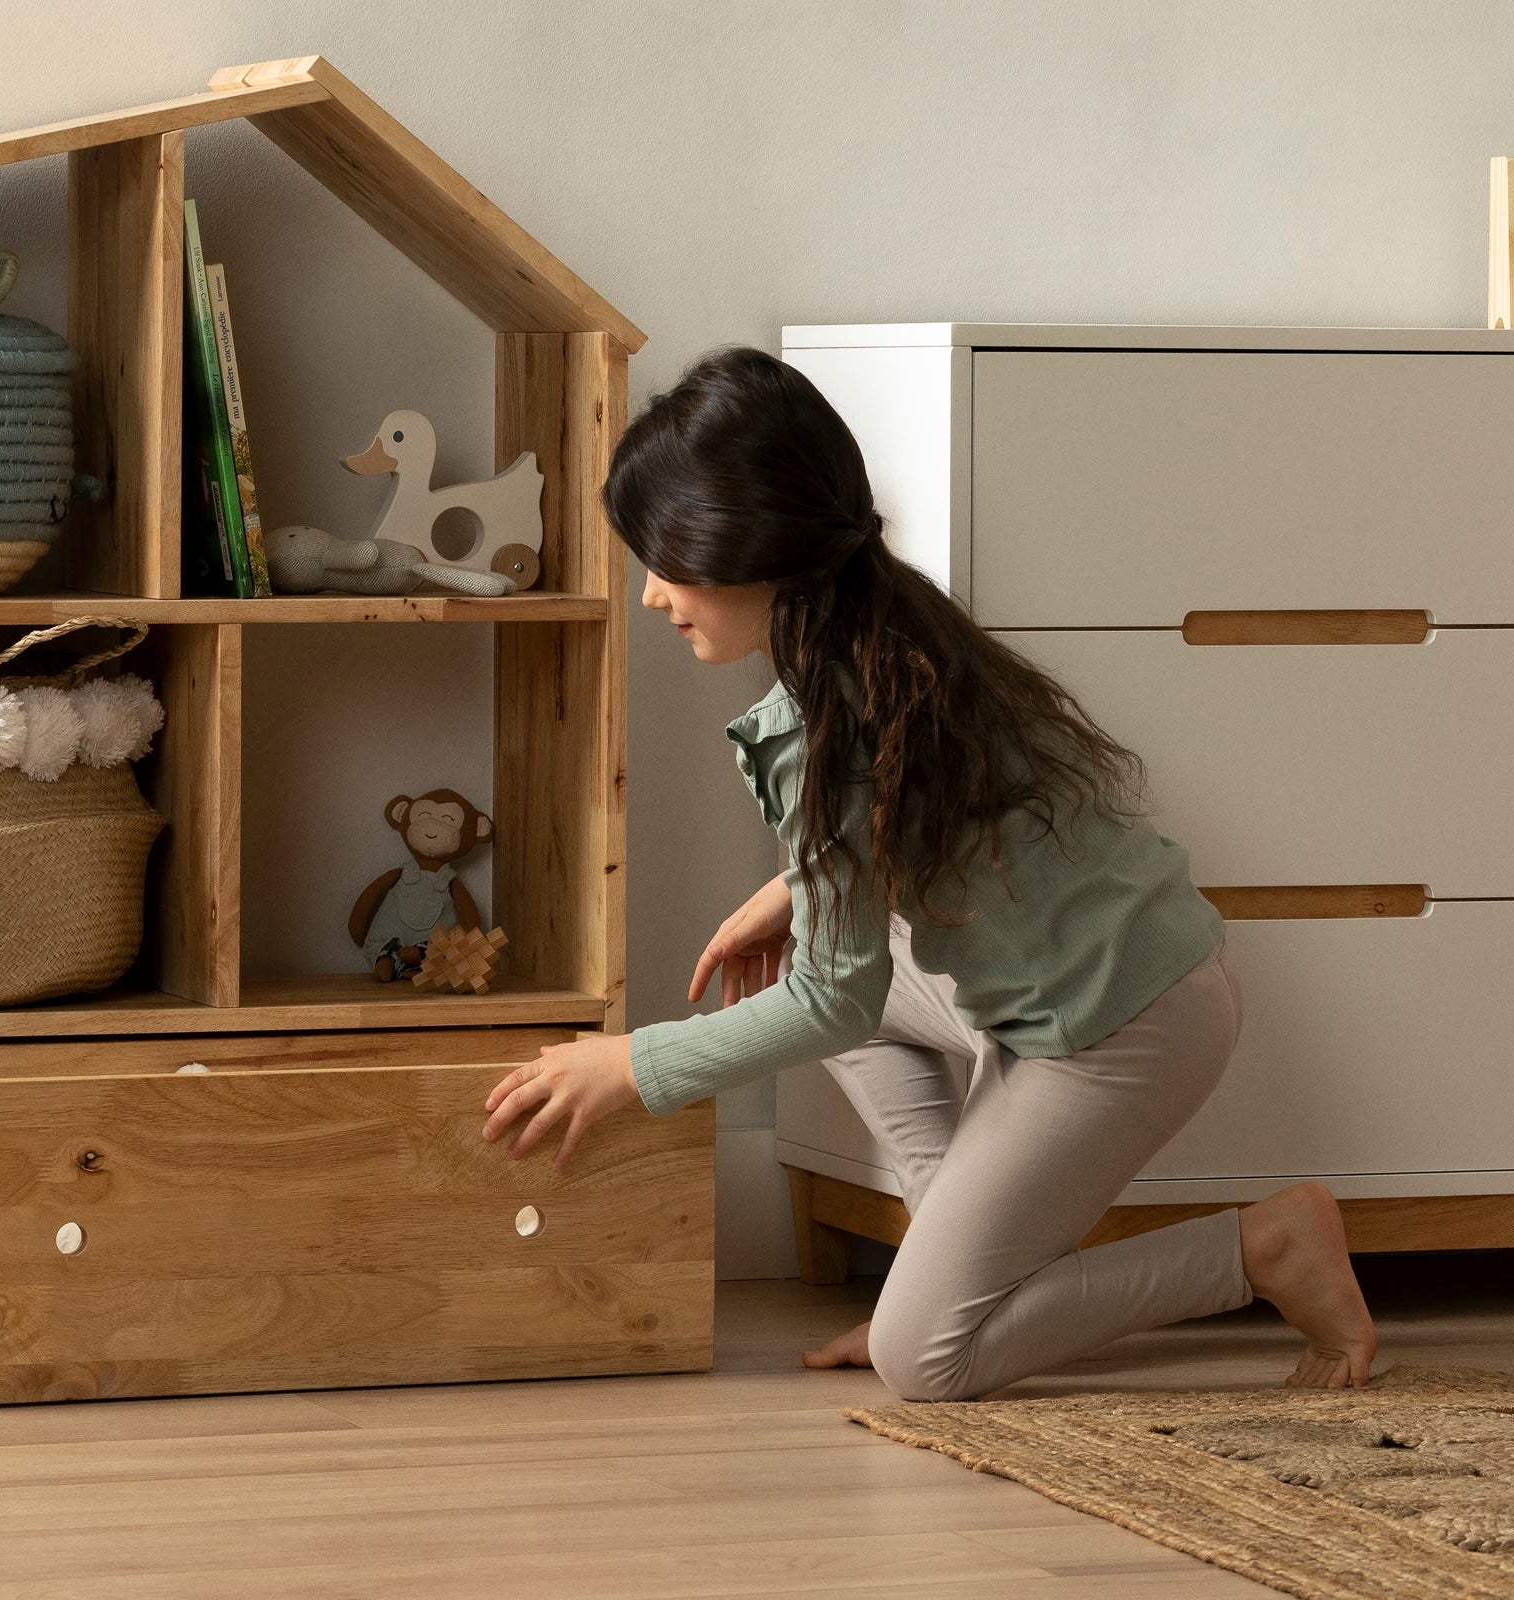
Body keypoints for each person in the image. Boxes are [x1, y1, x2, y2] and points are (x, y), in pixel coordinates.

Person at [480, 346, 1376, 1399]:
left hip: (1124, 1022)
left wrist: (632, 1066)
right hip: (1068, 981)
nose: (650, 596)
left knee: (926, 1360)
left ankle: (1263, 1247)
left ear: (751, 546)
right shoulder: (876, 626)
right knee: (799, 991)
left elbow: (834, 995)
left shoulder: (851, 696)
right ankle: (953, 1270)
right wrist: (789, 895)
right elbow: (911, 836)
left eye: (666, 561)